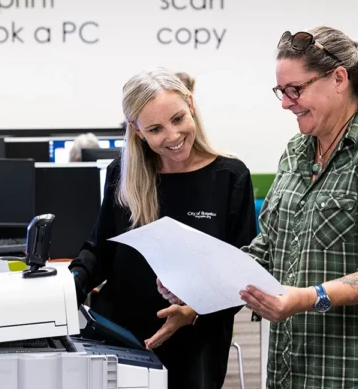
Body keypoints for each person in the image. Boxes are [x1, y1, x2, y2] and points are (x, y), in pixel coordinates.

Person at [162, 26, 358, 388]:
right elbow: (270, 248)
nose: (285, 102)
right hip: (300, 363)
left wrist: (306, 299)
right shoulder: (298, 150)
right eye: (281, 91)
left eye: (296, 89)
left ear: (338, 78)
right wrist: (200, 291)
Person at [68, 67, 257, 389]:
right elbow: (100, 250)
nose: (172, 136)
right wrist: (65, 288)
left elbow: (243, 269)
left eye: (178, 119)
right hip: (126, 335)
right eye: (155, 128)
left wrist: (192, 310)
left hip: (197, 339)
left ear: (191, 105)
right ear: (137, 130)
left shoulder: (229, 176)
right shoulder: (122, 174)